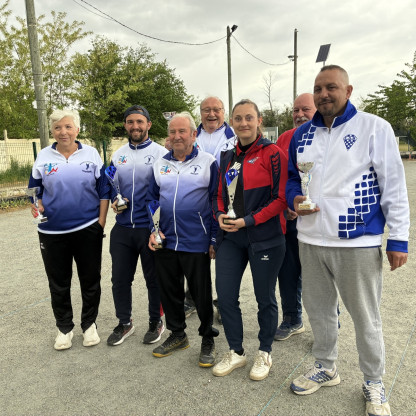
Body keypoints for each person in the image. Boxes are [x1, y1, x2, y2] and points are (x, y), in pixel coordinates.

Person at [287, 65, 409, 416]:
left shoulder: (374, 127)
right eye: (318, 88)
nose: (323, 94)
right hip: (311, 239)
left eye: (331, 87)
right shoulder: (302, 135)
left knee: (365, 317)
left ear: (348, 90)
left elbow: (393, 184)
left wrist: (399, 238)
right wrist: (296, 198)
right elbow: (294, 179)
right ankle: (326, 367)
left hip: (357, 241)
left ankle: (374, 382)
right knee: (320, 312)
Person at [212, 99, 288, 381]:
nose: (243, 123)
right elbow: (218, 195)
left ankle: (264, 351)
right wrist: (220, 214)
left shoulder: (273, 154)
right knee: (225, 296)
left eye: (249, 118)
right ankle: (236, 351)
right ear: (231, 122)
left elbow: (281, 199)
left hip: (265, 238)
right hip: (232, 238)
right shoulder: (226, 157)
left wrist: (249, 220)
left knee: (264, 298)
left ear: (259, 121)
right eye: (238, 118)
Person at [28, 109, 110, 350]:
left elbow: (104, 189)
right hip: (52, 231)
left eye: (67, 127)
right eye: (57, 128)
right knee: (58, 282)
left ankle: (89, 325)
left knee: (90, 279)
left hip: (87, 227)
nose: (63, 132)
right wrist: (35, 205)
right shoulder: (43, 156)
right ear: (52, 131)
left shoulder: (91, 154)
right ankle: (64, 328)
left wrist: (101, 223)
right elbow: (34, 190)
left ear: (77, 129)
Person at [147, 111, 219, 367]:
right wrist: (153, 230)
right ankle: (177, 334)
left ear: (193, 134)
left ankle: (208, 337)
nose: (177, 136)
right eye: (172, 132)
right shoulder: (159, 164)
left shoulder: (208, 162)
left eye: (182, 131)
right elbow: (152, 200)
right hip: (166, 240)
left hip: (196, 239)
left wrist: (214, 238)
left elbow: (216, 201)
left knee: (200, 294)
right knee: (169, 291)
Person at [106, 105, 167, 346]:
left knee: (154, 279)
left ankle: (156, 321)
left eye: (140, 122)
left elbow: (167, 189)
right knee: (120, 279)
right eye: (130, 122)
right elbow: (111, 185)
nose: (135, 126)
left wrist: (161, 226)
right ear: (125, 125)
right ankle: (125, 322)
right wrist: (115, 199)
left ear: (148, 124)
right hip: (122, 228)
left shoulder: (161, 153)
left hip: (149, 228)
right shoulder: (117, 154)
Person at [274, 93, 316, 341]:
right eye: (295, 110)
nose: (299, 115)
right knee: (288, 271)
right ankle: (292, 318)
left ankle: (328, 326)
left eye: (305, 109)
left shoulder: (328, 136)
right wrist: (286, 204)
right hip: (290, 219)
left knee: (319, 275)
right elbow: (279, 177)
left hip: (319, 220)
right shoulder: (285, 138)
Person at [194, 96, 237, 324]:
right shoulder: (191, 135)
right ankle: (193, 297)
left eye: (216, 110)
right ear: (200, 113)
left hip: (224, 204)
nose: (211, 114)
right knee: (195, 253)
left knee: (223, 256)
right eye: (206, 110)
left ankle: (223, 302)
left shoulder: (235, 137)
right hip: (196, 203)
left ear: (224, 112)